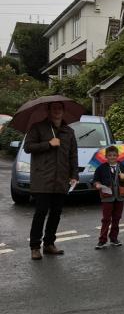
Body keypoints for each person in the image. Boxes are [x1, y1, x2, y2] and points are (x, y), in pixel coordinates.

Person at [24, 101, 79, 260]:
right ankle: (35, 247)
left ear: (63, 111)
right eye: (54, 108)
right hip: (43, 178)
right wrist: (48, 144)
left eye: (59, 108)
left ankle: (49, 244)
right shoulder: (38, 128)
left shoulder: (69, 131)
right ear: (48, 110)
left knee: (56, 213)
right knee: (40, 213)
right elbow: (28, 147)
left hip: (61, 179)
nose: (57, 111)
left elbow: (73, 155)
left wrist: (74, 174)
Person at [92, 145, 124, 249]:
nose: (112, 157)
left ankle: (114, 238)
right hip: (107, 197)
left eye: (114, 155)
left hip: (119, 197)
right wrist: (97, 184)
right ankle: (102, 240)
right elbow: (95, 180)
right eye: (110, 155)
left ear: (118, 156)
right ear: (106, 156)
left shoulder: (122, 167)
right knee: (106, 219)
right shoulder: (101, 168)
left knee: (117, 218)